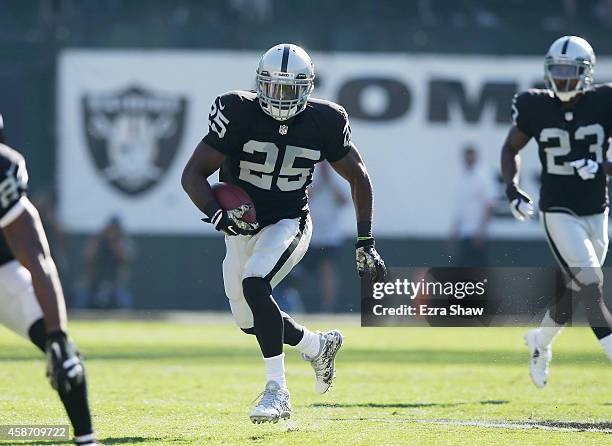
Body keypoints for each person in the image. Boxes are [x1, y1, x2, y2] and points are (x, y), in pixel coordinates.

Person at [182, 43, 386, 423]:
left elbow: (358, 176)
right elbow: (192, 174)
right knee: (251, 321)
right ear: (259, 84)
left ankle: (277, 391)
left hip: (288, 221)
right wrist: (216, 214)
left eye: (289, 89)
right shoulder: (237, 110)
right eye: (273, 87)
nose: (279, 97)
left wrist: (365, 241)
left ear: (306, 89)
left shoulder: (324, 121)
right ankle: (316, 345)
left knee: (256, 284)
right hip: (242, 228)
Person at [500, 35, 612, 388]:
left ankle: (540, 341)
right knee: (592, 285)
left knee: (578, 291)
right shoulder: (536, 105)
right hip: (558, 210)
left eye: (570, 71)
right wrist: (512, 186)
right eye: (557, 71)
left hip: (597, 209)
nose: (563, 79)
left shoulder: (605, 101)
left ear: (587, 73)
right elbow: (510, 147)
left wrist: (602, 166)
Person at [0, 115, 99, 445]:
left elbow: (37, 258)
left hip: (3, 273)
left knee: (65, 359)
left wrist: (57, 335)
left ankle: (86, 440)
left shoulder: (3, 170)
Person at [304, 162, 349, 312]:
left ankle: (328, 307)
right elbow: (301, 198)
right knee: (295, 270)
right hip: (309, 233)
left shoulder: (338, 173)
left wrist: (329, 180)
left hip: (330, 236)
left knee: (328, 269)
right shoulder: (307, 172)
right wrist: (319, 183)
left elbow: (344, 200)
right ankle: (292, 303)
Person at [74, 216, 134, 309]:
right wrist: (100, 238)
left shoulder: (123, 240)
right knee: (82, 296)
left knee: (124, 299)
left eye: (115, 229)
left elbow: (127, 258)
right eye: (111, 229)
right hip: (95, 277)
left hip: (115, 279)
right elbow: (87, 255)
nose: (112, 232)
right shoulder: (99, 239)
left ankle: (127, 319)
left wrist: (114, 243)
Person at [450, 146, 496, 266]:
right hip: (465, 231)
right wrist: (455, 228)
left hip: (477, 233)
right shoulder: (465, 176)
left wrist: (481, 231)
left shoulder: (483, 176)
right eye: (466, 157)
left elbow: (490, 205)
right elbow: (462, 206)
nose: (468, 160)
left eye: (470, 157)